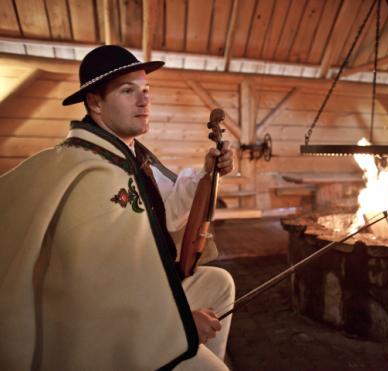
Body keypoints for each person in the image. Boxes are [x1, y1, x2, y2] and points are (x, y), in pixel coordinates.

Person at [0, 45, 234, 370]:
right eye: (128, 91)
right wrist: (179, 323)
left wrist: (208, 173)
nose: (144, 100)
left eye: (146, 90)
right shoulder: (90, 174)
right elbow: (91, 296)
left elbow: (165, 211)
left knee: (219, 283)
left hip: (144, 296)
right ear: (95, 102)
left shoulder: (126, 154)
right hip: (102, 327)